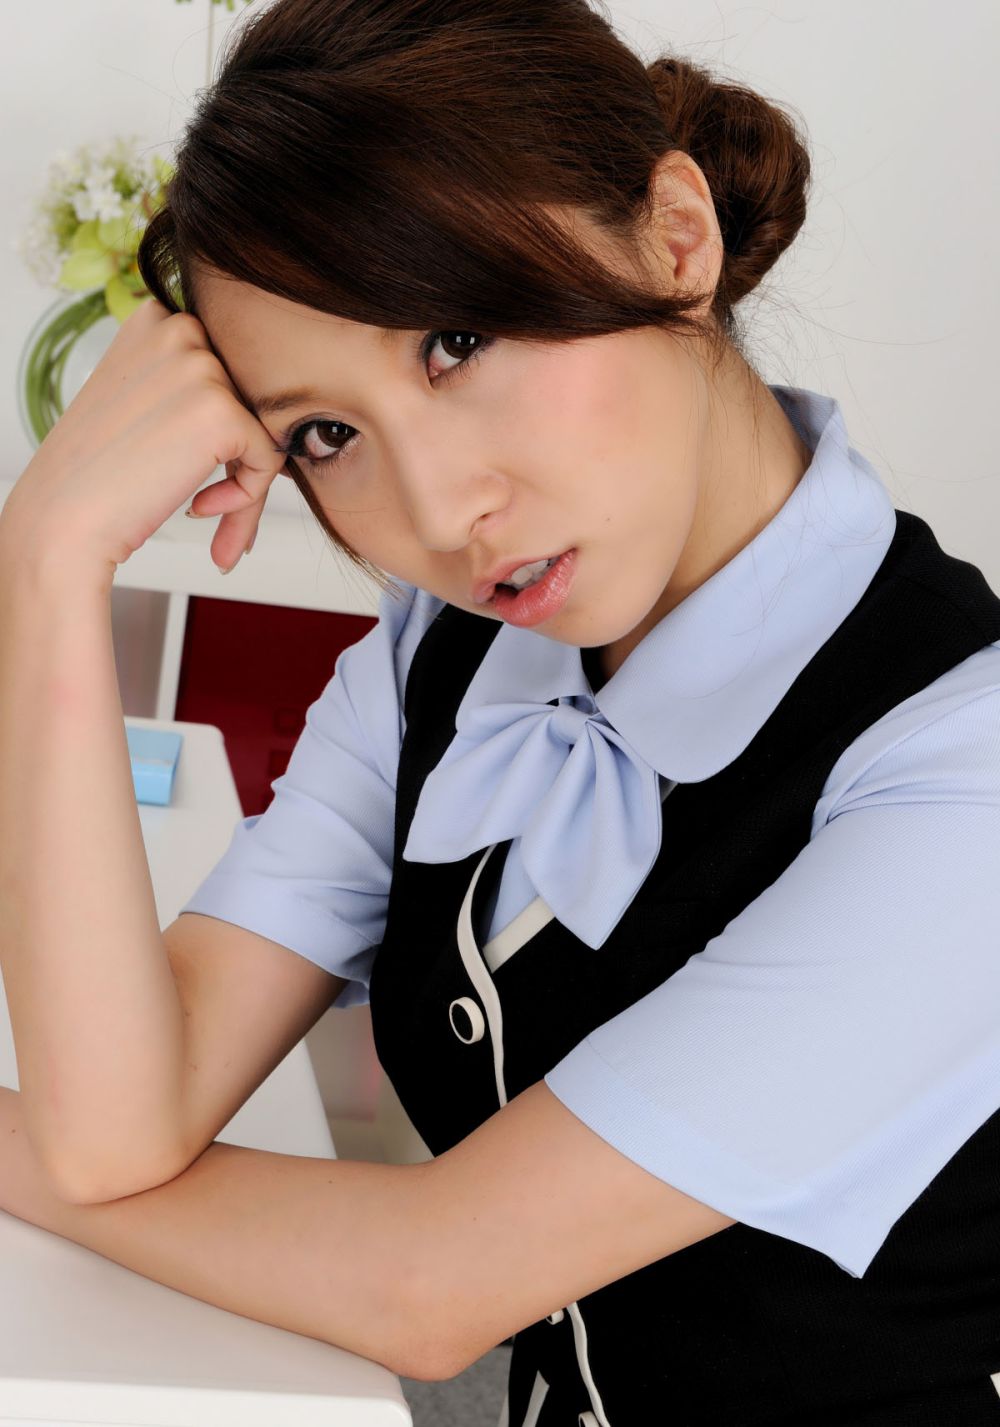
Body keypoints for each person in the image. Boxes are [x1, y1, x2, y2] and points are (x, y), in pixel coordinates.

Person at [1, 1, 999, 1423]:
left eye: (458, 340)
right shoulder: (445, 653)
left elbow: (430, 1288)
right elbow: (113, 1130)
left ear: (676, 238)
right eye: (325, 436)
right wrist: (45, 563)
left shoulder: (963, 763)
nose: (437, 511)